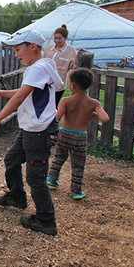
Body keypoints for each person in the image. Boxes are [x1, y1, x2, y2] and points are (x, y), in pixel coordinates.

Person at [0, 29, 63, 236]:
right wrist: (2, 92)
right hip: (30, 128)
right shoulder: (39, 66)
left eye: (18, 49)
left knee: (36, 177)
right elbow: (24, 93)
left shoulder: (38, 68)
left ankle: (46, 220)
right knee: (12, 159)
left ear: (33, 47)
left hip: (39, 131)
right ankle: (17, 197)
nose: (16, 54)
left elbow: (19, 99)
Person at [47, 68, 110, 199]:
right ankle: (76, 190)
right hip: (80, 136)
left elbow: (57, 117)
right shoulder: (93, 103)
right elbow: (105, 119)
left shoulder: (66, 100)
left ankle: (52, 178)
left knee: (59, 157)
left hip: (64, 133)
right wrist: (93, 113)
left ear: (72, 85)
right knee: (78, 164)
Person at [44, 24, 77, 106]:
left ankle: (55, 118)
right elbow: (43, 61)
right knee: (44, 105)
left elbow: (74, 65)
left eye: (59, 38)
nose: (57, 41)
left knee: (53, 106)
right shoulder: (49, 48)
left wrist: (79, 56)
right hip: (45, 82)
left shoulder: (70, 50)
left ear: (65, 38)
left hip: (58, 85)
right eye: (55, 38)